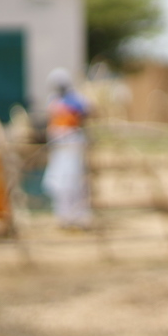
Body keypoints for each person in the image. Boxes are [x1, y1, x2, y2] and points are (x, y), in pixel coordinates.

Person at [42, 68, 92, 228]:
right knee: (59, 181)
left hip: (71, 145)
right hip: (58, 146)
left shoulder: (76, 100)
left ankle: (77, 216)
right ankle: (63, 215)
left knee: (73, 180)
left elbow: (86, 112)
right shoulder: (54, 101)